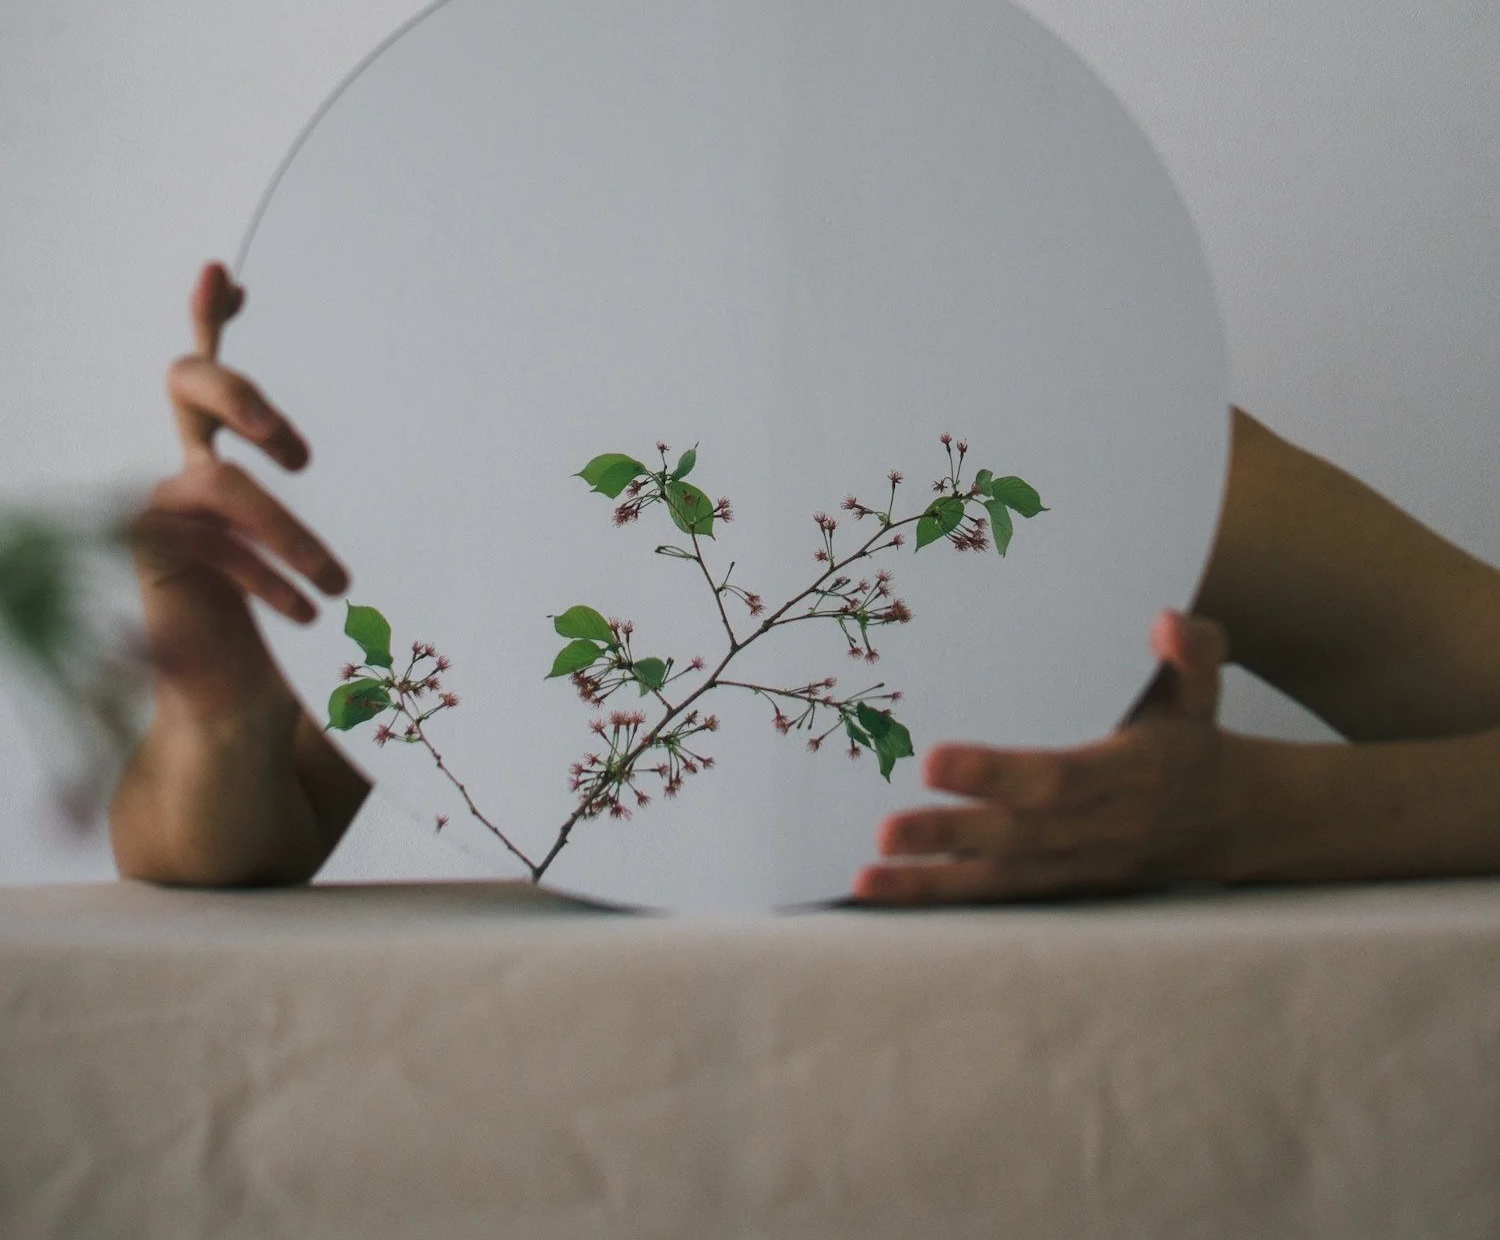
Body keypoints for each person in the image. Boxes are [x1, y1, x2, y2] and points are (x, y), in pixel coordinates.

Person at [110, 262, 1500, 897]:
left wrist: (1250, 816)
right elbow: (225, 847)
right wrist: (221, 704)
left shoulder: (1143, 468)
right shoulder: (485, 522)